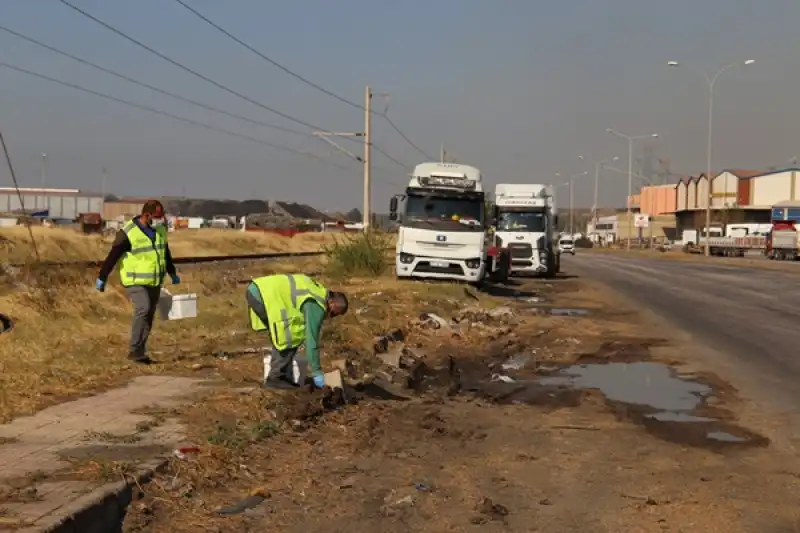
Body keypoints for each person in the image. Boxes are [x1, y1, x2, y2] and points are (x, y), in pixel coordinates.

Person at [95, 200, 180, 364]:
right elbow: (113, 255)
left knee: (149, 315)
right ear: (146, 215)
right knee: (143, 308)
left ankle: (140, 352)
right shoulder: (128, 232)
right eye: (156, 217)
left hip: (154, 280)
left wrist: (172, 272)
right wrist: (102, 277)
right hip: (134, 280)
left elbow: (165, 253)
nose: (160, 220)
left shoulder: (160, 231)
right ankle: (134, 349)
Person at [246, 273, 348, 390]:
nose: (331, 316)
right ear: (332, 303)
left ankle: (284, 377)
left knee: (287, 335)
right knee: (289, 338)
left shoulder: (319, 291)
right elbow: (311, 341)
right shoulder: (316, 305)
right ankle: (275, 378)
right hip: (262, 295)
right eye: (334, 313)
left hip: (258, 290)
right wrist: (316, 372)